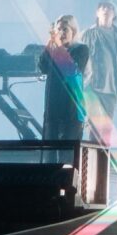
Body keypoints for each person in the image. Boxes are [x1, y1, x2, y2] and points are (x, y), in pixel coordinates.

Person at [83, 0, 117, 131]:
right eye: (102, 7)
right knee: (94, 127)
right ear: (97, 12)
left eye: (109, 7)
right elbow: (80, 61)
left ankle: (101, 146)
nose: (105, 9)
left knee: (106, 128)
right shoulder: (88, 34)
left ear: (114, 13)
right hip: (92, 87)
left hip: (112, 89)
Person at [41, 15, 90, 143]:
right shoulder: (54, 51)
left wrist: (58, 46)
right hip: (52, 111)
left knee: (68, 152)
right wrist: (50, 43)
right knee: (49, 151)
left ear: (73, 31)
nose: (61, 33)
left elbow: (70, 69)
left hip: (72, 111)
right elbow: (43, 66)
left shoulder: (81, 49)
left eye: (65, 29)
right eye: (59, 29)